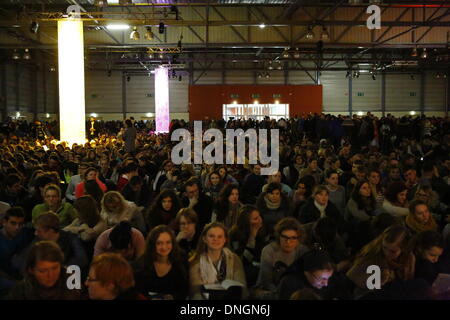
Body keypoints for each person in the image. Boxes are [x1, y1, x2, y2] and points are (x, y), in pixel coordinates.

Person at [346, 225, 423, 299]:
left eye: (393, 251)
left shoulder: (408, 258)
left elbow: (407, 282)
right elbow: (369, 290)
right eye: (385, 247)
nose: (387, 253)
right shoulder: (373, 256)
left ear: (404, 249)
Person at [189, 222, 247, 300]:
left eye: (220, 236)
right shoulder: (196, 262)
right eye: (211, 236)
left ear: (225, 240)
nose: (215, 239)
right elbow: (196, 293)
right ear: (204, 239)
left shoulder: (234, 259)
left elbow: (242, 289)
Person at [7, 241, 83, 300]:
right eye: (43, 271)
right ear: (31, 270)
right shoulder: (20, 291)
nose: (50, 275)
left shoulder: (72, 282)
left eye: (55, 268)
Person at [254, 217, 308, 299]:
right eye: (284, 237)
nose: (288, 242)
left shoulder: (303, 251)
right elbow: (266, 281)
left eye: (293, 238)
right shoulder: (269, 250)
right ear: (279, 237)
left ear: (298, 239)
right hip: (270, 290)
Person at [132, 225, 189, 300]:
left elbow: (184, 290)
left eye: (168, 242)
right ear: (152, 245)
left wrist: (174, 297)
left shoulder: (181, 261)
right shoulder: (141, 265)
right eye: (159, 243)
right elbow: (138, 292)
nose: (164, 247)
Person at [278, 249, 349, 300]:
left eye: (329, 278)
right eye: (321, 279)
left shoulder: (331, 280)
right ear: (306, 273)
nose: (326, 284)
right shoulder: (289, 283)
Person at [0, 207, 34, 294]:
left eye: (20, 224)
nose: (17, 227)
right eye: (13, 223)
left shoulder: (25, 233)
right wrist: (17, 282)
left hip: (23, 274)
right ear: (4, 222)